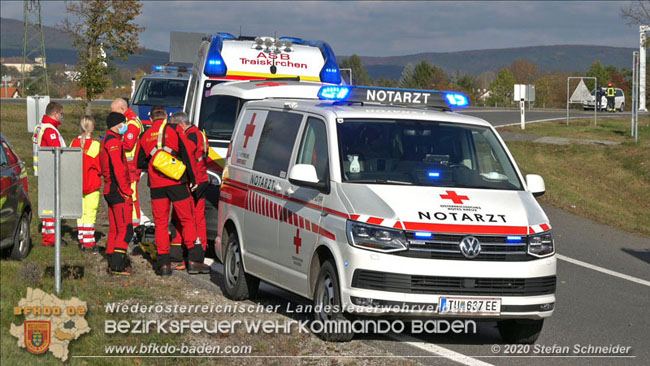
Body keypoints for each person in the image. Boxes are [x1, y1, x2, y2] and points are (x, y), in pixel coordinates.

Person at [136, 105, 210, 276]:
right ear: (166, 116)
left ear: (151, 117)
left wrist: (156, 164)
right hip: (177, 182)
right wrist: (193, 178)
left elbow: (140, 162)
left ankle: (163, 264)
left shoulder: (145, 135)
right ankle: (194, 260)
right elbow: (187, 155)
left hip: (156, 185)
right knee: (187, 219)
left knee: (161, 224)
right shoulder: (174, 129)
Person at [169, 111, 209, 270]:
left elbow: (187, 154)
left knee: (187, 218)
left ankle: (193, 252)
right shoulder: (199, 133)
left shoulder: (191, 136)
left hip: (195, 181)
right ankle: (198, 250)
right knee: (196, 217)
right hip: (201, 179)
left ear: (181, 125)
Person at [100, 112, 133, 275]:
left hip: (109, 188)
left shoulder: (106, 140)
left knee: (114, 229)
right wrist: (126, 191)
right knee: (125, 229)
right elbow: (118, 169)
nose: (125, 126)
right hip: (118, 191)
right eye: (123, 123)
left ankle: (111, 258)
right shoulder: (114, 143)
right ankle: (118, 265)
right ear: (117, 125)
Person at [32, 102, 66, 247]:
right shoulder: (50, 130)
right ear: (56, 113)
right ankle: (51, 238)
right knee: (52, 206)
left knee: (47, 206)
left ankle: (48, 234)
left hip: (44, 170)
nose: (61, 117)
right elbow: (57, 151)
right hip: (51, 171)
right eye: (61, 114)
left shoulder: (40, 127)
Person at [111, 98, 144, 231]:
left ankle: (134, 228)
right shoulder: (127, 121)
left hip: (131, 167)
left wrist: (113, 142)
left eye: (114, 111)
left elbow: (129, 145)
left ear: (123, 109)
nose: (112, 114)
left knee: (132, 197)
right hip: (127, 166)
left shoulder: (132, 123)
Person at [70, 116, 102, 252]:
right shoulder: (95, 145)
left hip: (77, 184)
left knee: (80, 214)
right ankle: (89, 243)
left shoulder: (73, 143)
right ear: (92, 127)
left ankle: (82, 238)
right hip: (91, 184)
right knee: (90, 214)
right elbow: (100, 167)